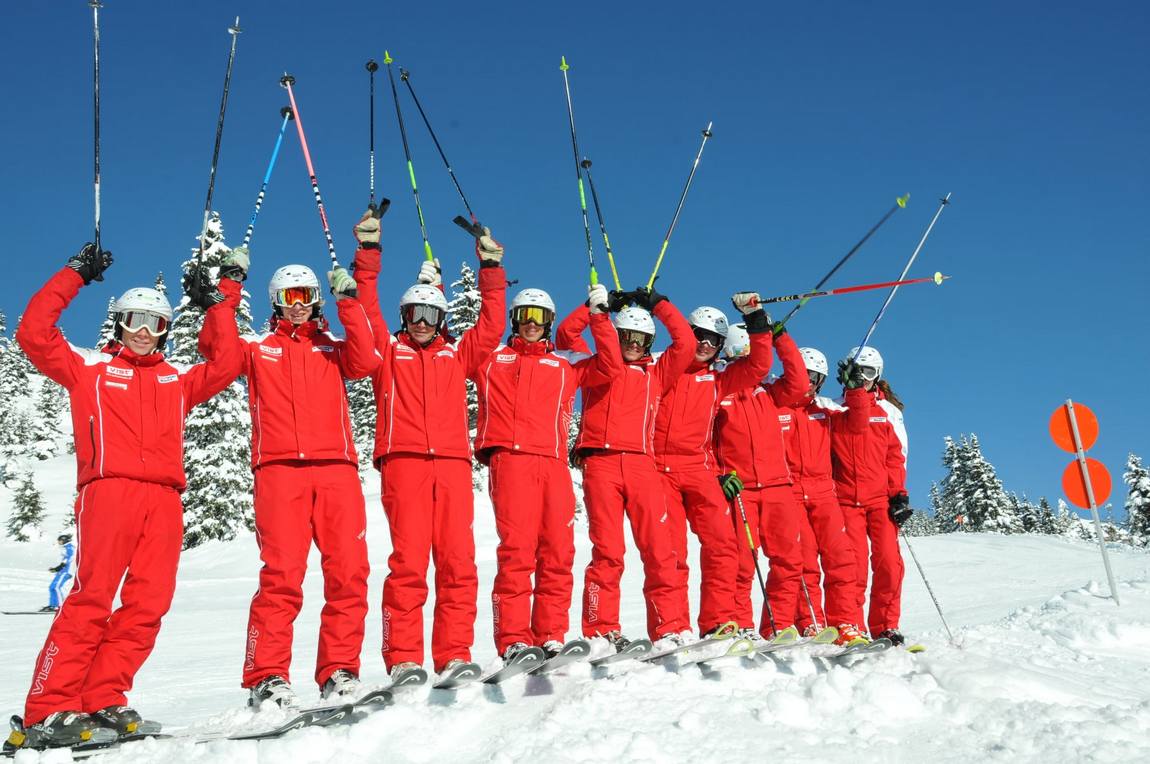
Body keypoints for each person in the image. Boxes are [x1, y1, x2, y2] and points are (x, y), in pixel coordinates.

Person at [7, 243, 241, 751]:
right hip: (108, 491)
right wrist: (73, 276)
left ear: (164, 330)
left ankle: (103, 698)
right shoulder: (88, 370)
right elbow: (33, 334)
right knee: (91, 599)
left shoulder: (176, 379)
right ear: (118, 322)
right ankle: (48, 708)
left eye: (154, 322)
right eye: (134, 319)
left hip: (164, 499)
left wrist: (218, 306)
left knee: (148, 604)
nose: (143, 330)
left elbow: (226, 364)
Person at [202, 246, 381, 708]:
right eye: (287, 296)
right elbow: (216, 354)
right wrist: (226, 290)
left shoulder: (333, 349)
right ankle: (267, 677)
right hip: (280, 470)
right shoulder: (259, 350)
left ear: (316, 298)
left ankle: (340, 669)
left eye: (305, 294)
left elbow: (368, 361)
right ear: (275, 302)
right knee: (282, 576)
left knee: (349, 571)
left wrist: (350, 301)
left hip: (336, 469)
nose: (297, 303)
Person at [351, 211, 506, 678]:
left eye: (430, 315)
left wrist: (492, 269)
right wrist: (369, 253)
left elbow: (492, 326)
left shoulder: (456, 355)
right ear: (404, 317)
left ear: (441, 318)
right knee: (410, 563)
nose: (421, 322)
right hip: (405, 464)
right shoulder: (388, 352)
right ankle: (402, 659)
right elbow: (364, 306)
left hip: (454, 466)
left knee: (459, 563)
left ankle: (454, 653)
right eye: (414, 315)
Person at [473, 284, 621, 661]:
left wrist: (598, 314)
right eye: (525, 316)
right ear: (514, 320)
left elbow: (611, 366)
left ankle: (551, 633)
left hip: (553, 464)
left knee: (558, 552)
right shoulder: (491, 358)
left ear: (550, 321)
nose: (532, 324)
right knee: (518, 552)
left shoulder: (566, 363)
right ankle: (514, 640)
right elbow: (470, 341)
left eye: (540, 318)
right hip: (511, 461)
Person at [554, 285, 694, 650]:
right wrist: (594, 308)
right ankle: (600, 629)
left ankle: (669, 627)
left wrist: (660, 304)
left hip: (641, 465)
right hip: (601, 463)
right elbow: (567, 335)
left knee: (660, 551)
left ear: (649, 342)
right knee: (609, 550)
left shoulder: (657, 374)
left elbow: (686, 345)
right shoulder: (597, 365)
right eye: (626, 337)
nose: (633, 344)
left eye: (640, 339)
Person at [651, 296, 773, 638]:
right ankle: (671, 626)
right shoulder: (663, 367)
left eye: (713, 340)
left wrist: (755, 319)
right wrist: (658, 306)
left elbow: (759, 367)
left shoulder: (719, 379)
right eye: (698, 336)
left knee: (724, 546)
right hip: (659, 468)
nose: (704, 345)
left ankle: (718, 621)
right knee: (671, 552)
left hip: (698, 469)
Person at [711, 318, 808, 640]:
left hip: (778, 486)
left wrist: (780, 338)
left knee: (789, 561)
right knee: (741, 563)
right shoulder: (720, 390)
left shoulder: (771, 393)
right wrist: (719, 475)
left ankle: (778, 625)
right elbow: (702, 440)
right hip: (743, 488)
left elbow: (799, 382)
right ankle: (741, 625)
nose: (758, 368)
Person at [777, 347, 867, 645]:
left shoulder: (825, 411)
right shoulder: (776, 407)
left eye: (814, 377)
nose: (808, 382)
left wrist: (855, 391)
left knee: (841, 559)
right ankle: (811, 621)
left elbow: (857, 425)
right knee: (804, 562)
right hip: (790, 491)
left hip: (823, 492)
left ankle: (845, 622)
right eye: (802, 375)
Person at [830, 346, 909, 645]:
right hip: (845, 500)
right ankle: (850, 625)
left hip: (879, 500)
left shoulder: (888, 412)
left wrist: (898, 495)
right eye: (858, 371)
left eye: (869, 372)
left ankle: (886, 624)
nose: (863, 378)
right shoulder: (835, 409)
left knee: (889, 564)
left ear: (878, 377)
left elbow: (897, 455)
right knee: (853, 566)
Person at [43, 533, 77, 613]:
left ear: (64, 540)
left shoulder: (70, 547)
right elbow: (64, 561)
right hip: (62, 572)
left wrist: (59, 567)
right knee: (52, 587)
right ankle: (53, 605)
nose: (59, 542)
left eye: (60, 541)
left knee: (56, 587)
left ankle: (60, 606)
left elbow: (69, 559)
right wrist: (56, 569)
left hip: (66, 572)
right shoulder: (66, 547)